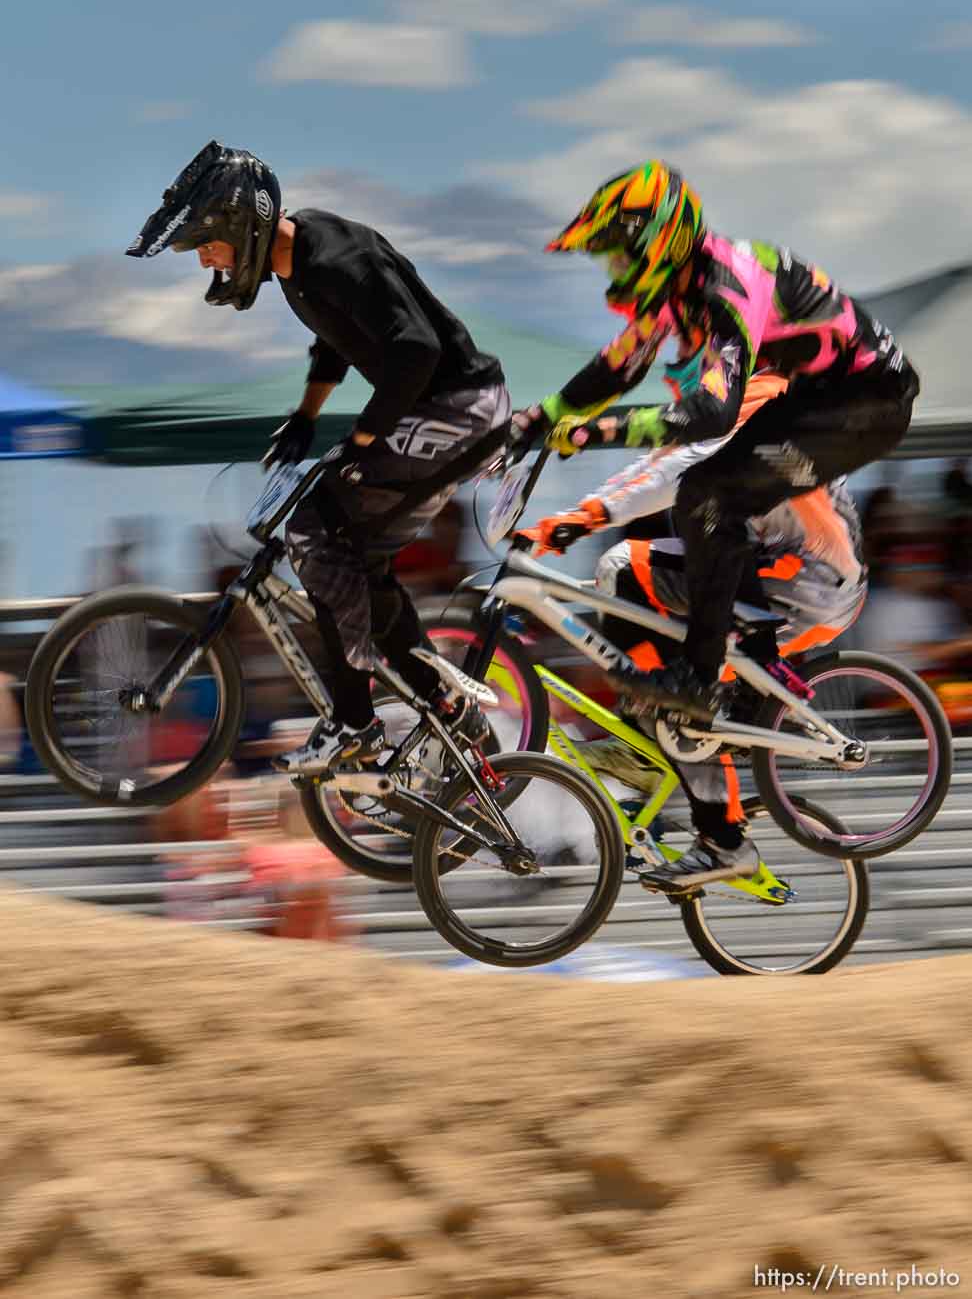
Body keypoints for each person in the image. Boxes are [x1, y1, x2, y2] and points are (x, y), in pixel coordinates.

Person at [127, 141, 511, 774]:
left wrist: (363, 439)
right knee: (359, 559)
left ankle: (353, 721)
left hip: (460, 409)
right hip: (436, 409)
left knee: (315, 528)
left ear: (237, 226)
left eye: (206, 245)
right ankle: (447, 706)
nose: (204, 262)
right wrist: (306, 417)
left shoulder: (336, 259)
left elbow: (414, 350)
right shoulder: (295, 259)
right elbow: (334, 343)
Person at [513, 160, 918, 725]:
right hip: (824, 395)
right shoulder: (679, 287)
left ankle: (703, 675)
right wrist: (539, 417)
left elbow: (710, 412)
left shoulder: (727, 285)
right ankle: (753, 649)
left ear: (659, 241)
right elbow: (616, 368)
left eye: (618, 251)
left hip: (867, 401)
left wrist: (601, 431)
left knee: (705, 493)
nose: (613, 267)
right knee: (711, 495)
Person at [519, 371, 867, 886]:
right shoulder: (732, 401)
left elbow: (676, 472)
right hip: (785, 573)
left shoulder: (761, 396)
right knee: (670, 663)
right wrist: (574, 514)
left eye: (694, 361)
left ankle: (657, 737)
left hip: (804, 579)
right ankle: (713, 822)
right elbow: (654, 466)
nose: (681, 380)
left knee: (623, 570)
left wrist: (585, 519)